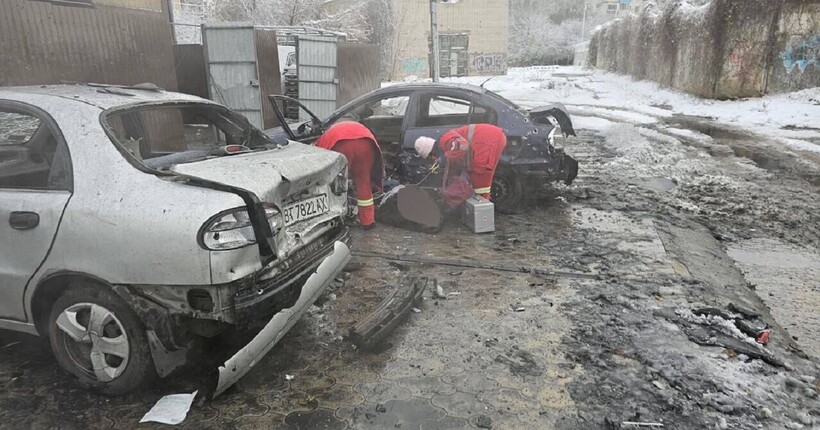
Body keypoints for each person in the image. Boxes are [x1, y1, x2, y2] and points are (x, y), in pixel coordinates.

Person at [316, 121, 384, 229]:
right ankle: (368, 221)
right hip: (367, 143)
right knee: (363, 182)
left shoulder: (321, 141)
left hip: (341, 144)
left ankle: (336, 220)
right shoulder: (344, 127)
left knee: (335, 184)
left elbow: (321, 170)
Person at [415, 124, 507, 200]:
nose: (434, 159)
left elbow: (462, 146)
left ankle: (481, 212)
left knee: (479, 181)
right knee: (483, 180)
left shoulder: (444, 140)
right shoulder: (446, 144)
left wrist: (445, 158)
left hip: (487, 141)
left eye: (431, 156)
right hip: (494, 138)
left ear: (431, 150)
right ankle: (483, 206)